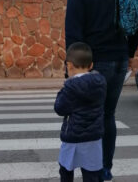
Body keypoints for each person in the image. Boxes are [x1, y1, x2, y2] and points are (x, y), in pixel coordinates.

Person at [64, 0, 138, 181]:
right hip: (118, 61)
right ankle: (105, 169)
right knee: (107, 115)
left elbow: (74, 37)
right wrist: (129, 53)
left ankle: (91, 171)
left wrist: (71, 74)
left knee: (87, 115)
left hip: (93, 64)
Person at [55, 42, 106, 182]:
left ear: (69, 65)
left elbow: (59, 108)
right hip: (94, 138)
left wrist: (63, 89)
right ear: (91, 65)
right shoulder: (100, 83)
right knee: (92, 174)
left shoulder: (70, 87)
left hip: (73, 137)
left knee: (66, 170)